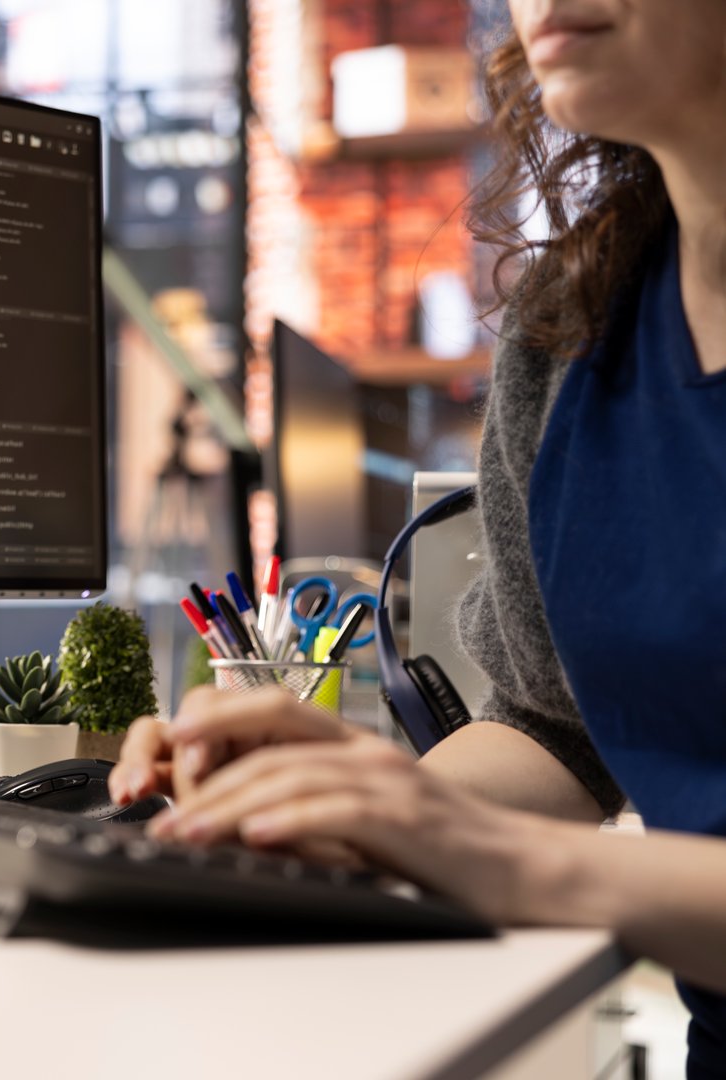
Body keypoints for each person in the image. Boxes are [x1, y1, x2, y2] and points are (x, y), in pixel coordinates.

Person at [109, 0, 726, 1073]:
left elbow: (532, 843)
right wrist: (350, 798)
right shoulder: (578, 326)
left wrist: (514, 863)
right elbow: (551, 731)